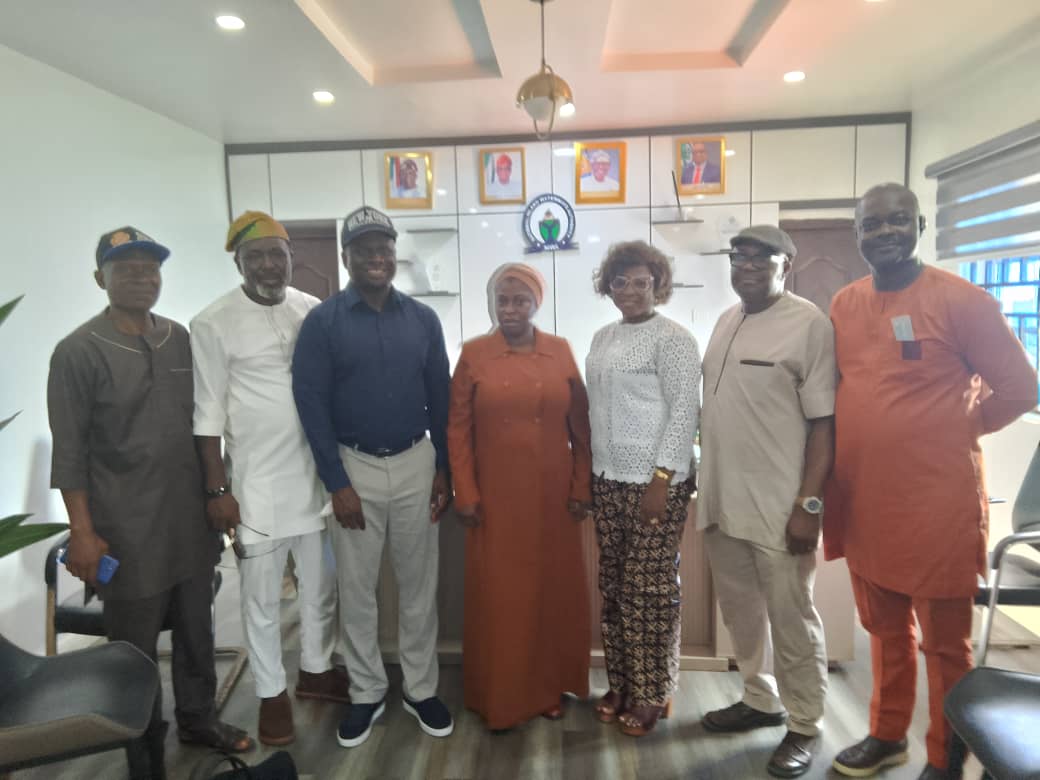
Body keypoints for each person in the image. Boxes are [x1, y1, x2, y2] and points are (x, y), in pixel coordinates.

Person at [826, 183, 1038, 780]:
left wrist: (956, 427)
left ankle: (946, 757)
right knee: (883, 630)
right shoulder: (844, 303)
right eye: (872, 224)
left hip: (936, 503)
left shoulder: (964, 301)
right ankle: (886, 734)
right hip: (864, 499)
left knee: (944, 645)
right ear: (858, 235)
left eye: (898, 220)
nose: (885, 232)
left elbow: (1022, 389)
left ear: (920, 225)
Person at [48, 226, 253, 779]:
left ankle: (199, 719)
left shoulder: (179, 338)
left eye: (150, 268)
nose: (141, 277)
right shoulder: (77, 352)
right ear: (101, 279)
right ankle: (144, 751)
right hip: (127, 529)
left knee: (197, 630)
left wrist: (218, 494)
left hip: (189, 520)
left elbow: (206, 422)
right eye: (126, 269)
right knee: (134, 650)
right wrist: (83, 532)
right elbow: (69, 453)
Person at [291, 205, 454, 748]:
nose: (376, 257)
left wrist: (444, 467)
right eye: (364, 249)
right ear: (347, 257)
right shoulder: (323, 322)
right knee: (357, 590)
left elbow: (441, 396)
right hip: (353, 465)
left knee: (418, 586)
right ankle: (366, 692)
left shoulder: (423, 319)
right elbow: (311, 404)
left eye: (383, 248)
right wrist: (336, 481)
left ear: (394, 253)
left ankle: (421, 689)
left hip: (416, 462)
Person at [190, 211, 348, 747]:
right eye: (254, 256)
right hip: (255, 486)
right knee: (261, 601)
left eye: (275, 254)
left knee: (320, 587)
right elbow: (207, 416)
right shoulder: (212, 322)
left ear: (290, 257)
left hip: (313, 478)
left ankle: (317, 670)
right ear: (238, 262)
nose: (267, 265)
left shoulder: (311, 309)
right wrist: (218, 490)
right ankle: (270, 693)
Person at [696, 225, 833, 778]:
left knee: (792, 617)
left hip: (779, 504)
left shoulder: (809, 324)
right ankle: (759, 697)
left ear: (786, 265)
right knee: (741, 612)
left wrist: (809, 505)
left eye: (762, 257)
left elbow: (824, 424)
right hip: (722, 499)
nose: (747, 265)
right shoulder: (727, 320)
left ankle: (805, 723)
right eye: (739, 256)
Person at [447, 263, 592, 730]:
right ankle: (501, 694)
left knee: (551, 594)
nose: (510, 309)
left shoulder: (560, 351)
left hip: (553, 498)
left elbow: (581, 429)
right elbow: (457, 430)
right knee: (503, 598)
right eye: (502, 300)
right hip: (495, 499)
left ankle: (549, 688)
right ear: (493, 304)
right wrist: (465, 491)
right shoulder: (474, 354)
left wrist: (581, 486)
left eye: (520, 300)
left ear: (536, 304)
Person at [585, 240, 701, 737]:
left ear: (658, 285)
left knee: (649, 590)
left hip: (655, 483)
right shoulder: (602, 337)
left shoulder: (673, 339)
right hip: (607, 478)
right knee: (614, 584)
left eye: (641, 281)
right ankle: (621, 683)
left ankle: (653, 692)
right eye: (620, 281)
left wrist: (663, 478)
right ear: (608, 287)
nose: (630, 290)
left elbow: (684, 412)